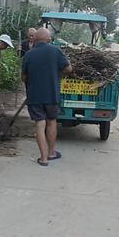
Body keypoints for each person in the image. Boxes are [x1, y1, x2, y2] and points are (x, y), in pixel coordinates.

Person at [22, 28, 73, 166]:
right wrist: (56, 74)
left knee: (40, 124)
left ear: (35, 39)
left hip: (34, 95)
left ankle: (43, 159)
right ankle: (51, 153)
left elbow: (23, 77)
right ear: (48, 39)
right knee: (51, 122)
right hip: (51, 94)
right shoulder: (55, 51)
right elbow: (69, 69)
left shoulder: (28, 55)